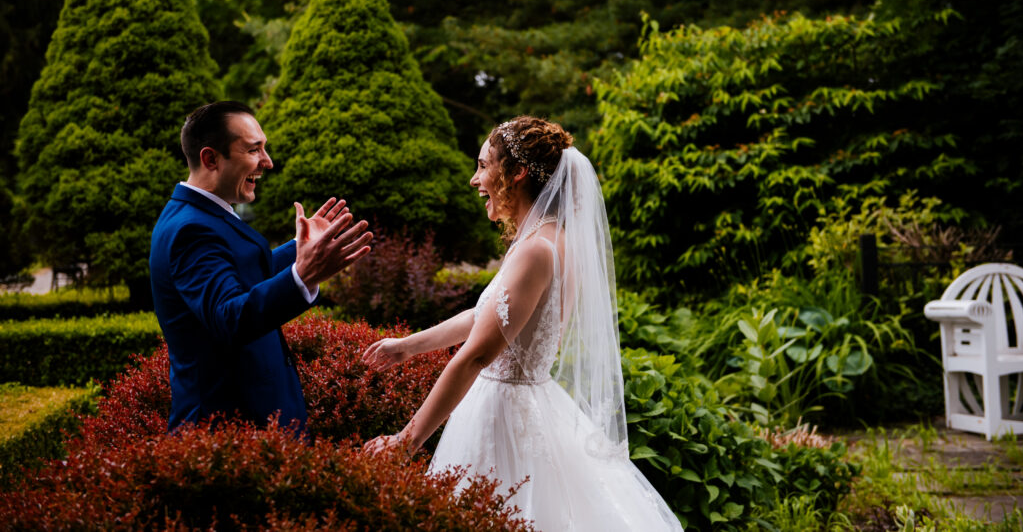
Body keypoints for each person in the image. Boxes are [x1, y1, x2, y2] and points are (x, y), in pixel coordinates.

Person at [363, 116, 683, 531]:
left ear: (515, 173)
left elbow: (478, 353)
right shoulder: (551, 240)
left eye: (483, 165)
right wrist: (406, 346)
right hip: (532, 404)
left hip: (504, 418)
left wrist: (405, 441)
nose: (475, 179)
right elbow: (485, 317)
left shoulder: (536, 251)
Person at [150, 101, 372, 432]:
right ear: (211, 159)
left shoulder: (204, 215)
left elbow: (242, 271)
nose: (267, 162)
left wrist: (301, 248)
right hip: (230, 433)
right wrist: (302, 276)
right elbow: (229, 316)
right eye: (254, 150)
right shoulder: (190, 230)